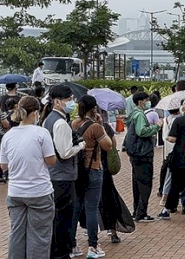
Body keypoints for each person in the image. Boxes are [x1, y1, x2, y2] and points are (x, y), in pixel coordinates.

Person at [0, 96, 57, 259]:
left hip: (16, 193)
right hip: (39, 192)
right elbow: (51, 161)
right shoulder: (41, 133)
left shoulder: (9, 135)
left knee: (16, 235)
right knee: (38, 237)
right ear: (35, 113)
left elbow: (4, 166)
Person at [42, 84, 86, 259]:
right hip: (63, 177)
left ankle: (56, 251)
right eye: (69, 100)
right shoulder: (60, 123)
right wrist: (81, 145)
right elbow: (65, 152)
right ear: (57, 101)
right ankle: (61, 253)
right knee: (63, 217)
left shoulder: (48, 119)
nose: (72, 102)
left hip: (53, 175)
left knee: (57, 217)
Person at [71, 95, 112, 259]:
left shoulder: (74, 123)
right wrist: (101, 125)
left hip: (77, 171)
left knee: (76, 207)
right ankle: (93, 246)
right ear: (94, 108)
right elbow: (108, 146)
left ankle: (72, 245)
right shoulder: (96, 127)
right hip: (93, 169)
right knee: (91, 208)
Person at [124, 91, 162, 222]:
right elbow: (142, 131)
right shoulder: (140, 115)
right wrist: (156, 127)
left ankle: (137, 211)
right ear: (140, 102)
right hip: (143, 154)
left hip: (135, 153)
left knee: (137, 184)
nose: (148, 102)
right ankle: (141, 212)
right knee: (145, 184)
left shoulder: (133, 114)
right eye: (146, 100)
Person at [97, 112, 129, 244]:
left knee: (88, 202)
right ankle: (113, 231)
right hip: (104, 169)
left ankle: (89, 234)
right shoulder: (104, 127)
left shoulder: (81, 126)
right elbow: (112, 145)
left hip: (88, 170)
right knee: (109, 199)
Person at [159, 108, 180, 202]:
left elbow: (164, 137)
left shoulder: (166, 119)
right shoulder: (180, 120)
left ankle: (164, 196)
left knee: (168, 173)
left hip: (168, 149)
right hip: (178, 149)